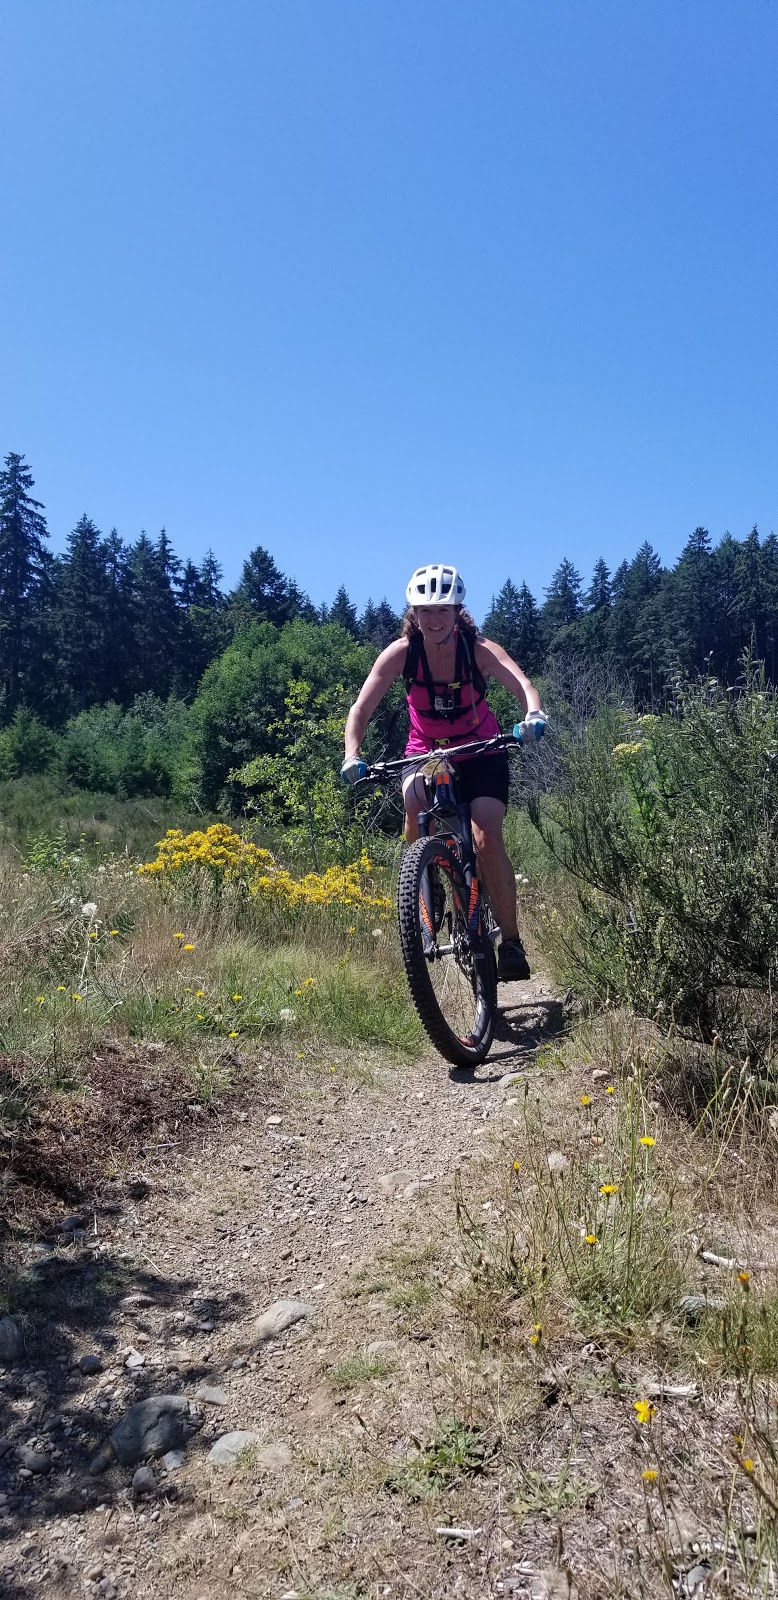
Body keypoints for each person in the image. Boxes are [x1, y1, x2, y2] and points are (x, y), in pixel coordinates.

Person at [341, 563, 546, 981]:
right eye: (425, 610)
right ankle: (426, 875)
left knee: (486, 834)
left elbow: (522, 684)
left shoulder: (478, 648)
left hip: (480, 748)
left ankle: (511, 943)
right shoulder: (401, 653)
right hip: (428, 752)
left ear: (457, 612)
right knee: (414, 805)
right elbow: (360, 709)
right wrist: (351, 753)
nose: (434, 619)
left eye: (443, 610)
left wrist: (533, 713)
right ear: (413, 614)